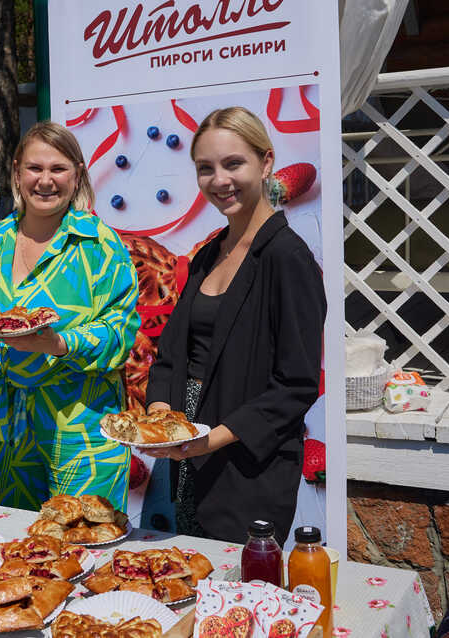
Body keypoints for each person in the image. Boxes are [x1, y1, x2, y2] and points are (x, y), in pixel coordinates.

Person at [141, 107, 326, 546]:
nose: (219, 180)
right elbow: (172, 354)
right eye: (205, 168)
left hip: (246, 466)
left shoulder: (288, 258)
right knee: (187, 570)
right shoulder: (209, 255)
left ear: (266, 162)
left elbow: (295, 385)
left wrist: (210, 440)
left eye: (233, 164)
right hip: (187, 455)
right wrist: (160, 415)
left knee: (235, 581)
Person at [0, 121, 140, 511]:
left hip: (82, 431)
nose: (45, 180)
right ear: (17, 172)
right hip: (10, 431)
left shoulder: (100, 244)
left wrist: (60, 344)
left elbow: (121, 334)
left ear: (77, 175)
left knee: (87, 539)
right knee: (23, 543)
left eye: (58, 169)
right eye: (35, 168)